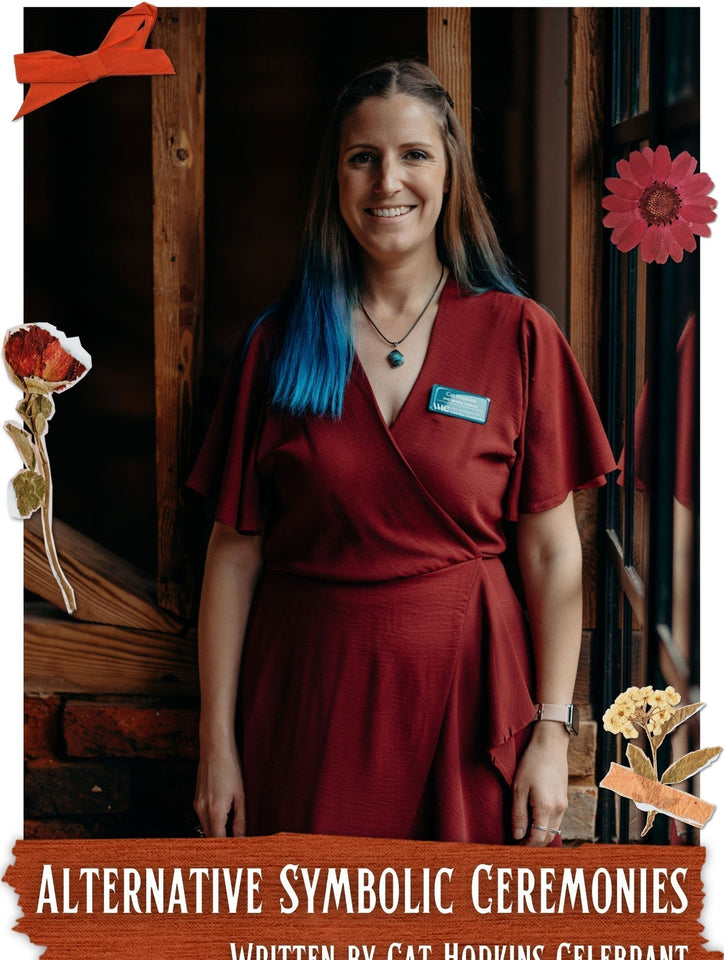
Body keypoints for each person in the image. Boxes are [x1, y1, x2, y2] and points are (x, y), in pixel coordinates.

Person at [188, 60, 615, 846]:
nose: (389, 179)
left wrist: (553, 732)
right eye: (364, 157)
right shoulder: (277, 346)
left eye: (415, 154)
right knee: (315, 957)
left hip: (469, 705)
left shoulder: (519, 334)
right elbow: (233, 555)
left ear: (450, 175)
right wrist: (216, 745)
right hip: (306, 707)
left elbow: (554, 555)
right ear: (337, 178)